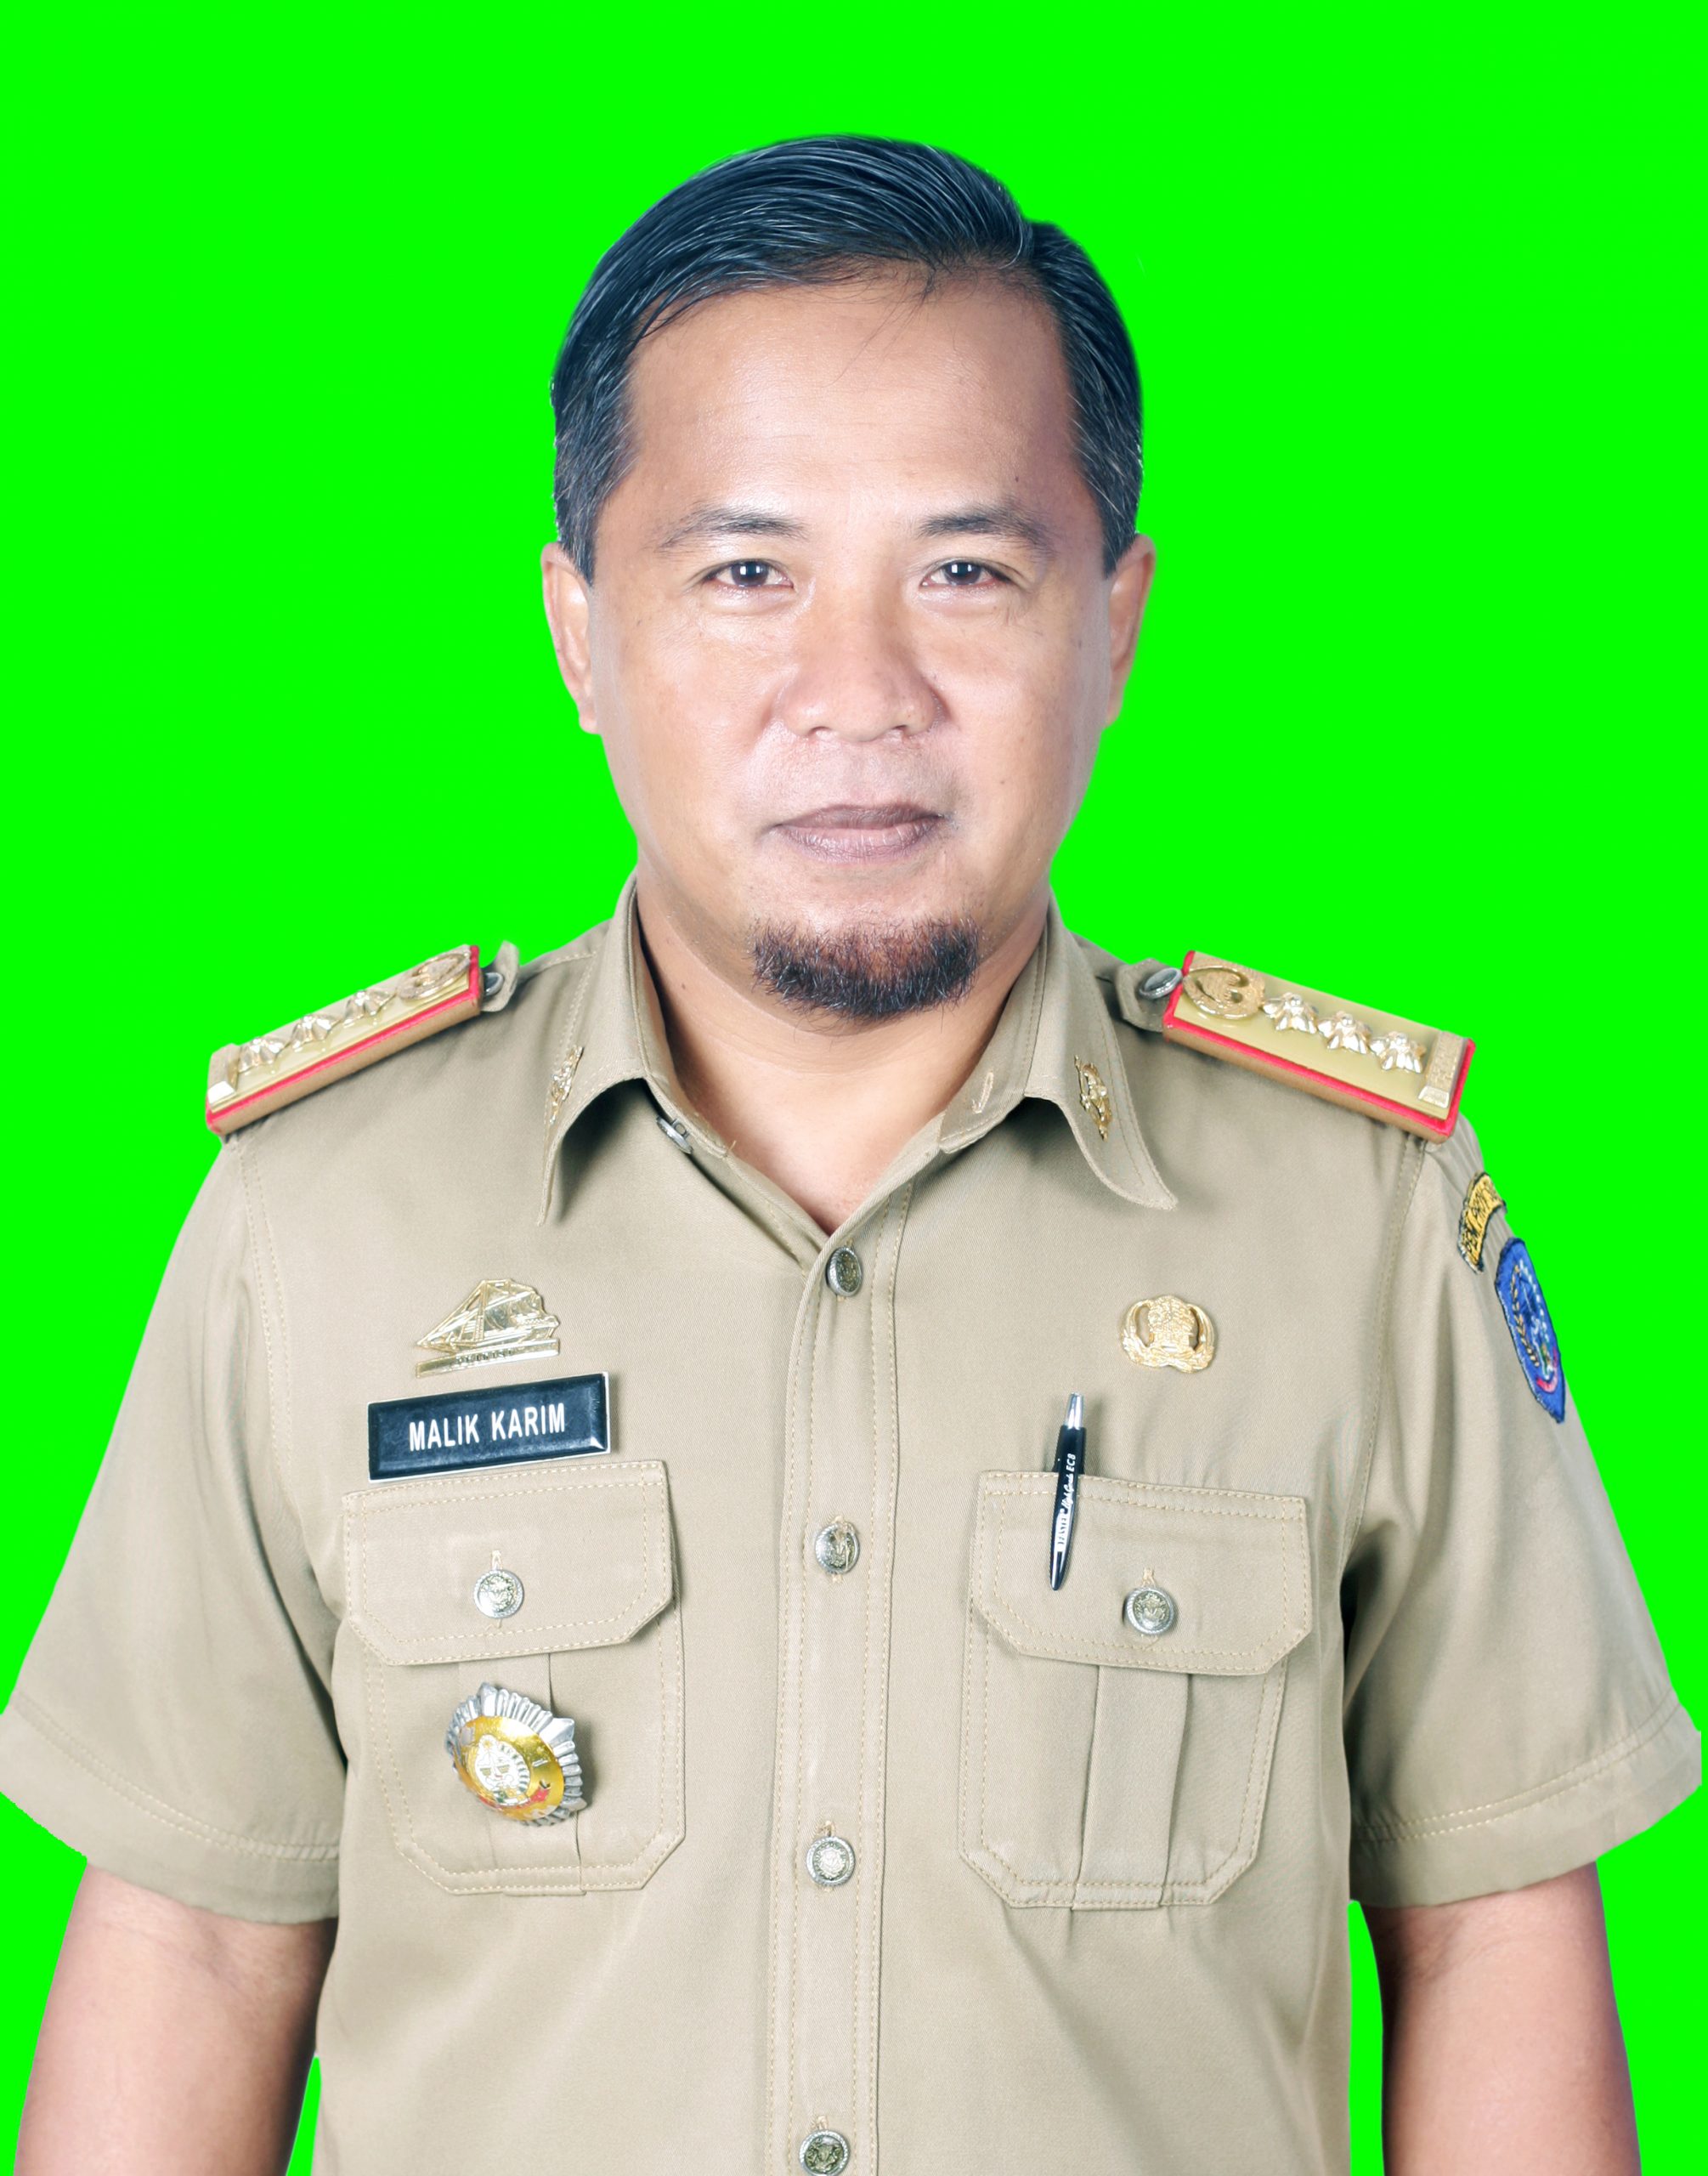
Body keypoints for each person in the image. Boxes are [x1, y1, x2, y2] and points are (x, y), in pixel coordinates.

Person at [1, 136, 1694, 2176]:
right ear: (576, 631)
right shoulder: (324, 1210)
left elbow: (1493, 1925)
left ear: (1118, 624)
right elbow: (193, 1940)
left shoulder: (1354, 1211)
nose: (860, 696)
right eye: (746, 574)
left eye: (967, 572)